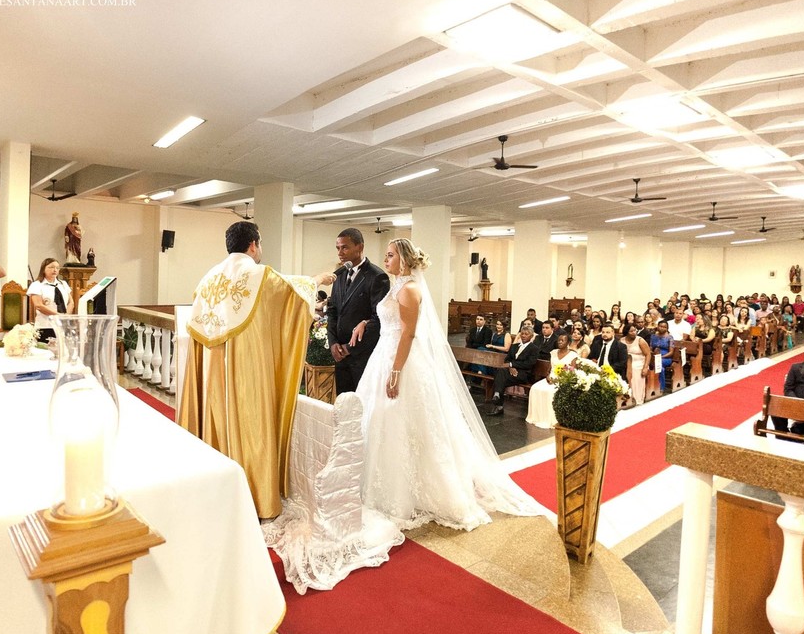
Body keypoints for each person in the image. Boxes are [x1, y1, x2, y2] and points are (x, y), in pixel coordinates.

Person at [354, 238, 539, 528]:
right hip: (383, 354)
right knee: (378, 417)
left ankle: (410, 489)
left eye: (390, 255)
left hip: (401, 360)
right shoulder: (396, 286)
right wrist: (367, 323)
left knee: (401, 418)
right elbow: (389, 321)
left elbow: (407, 333)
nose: (385, 259)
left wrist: (396, 372)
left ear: (404, 260)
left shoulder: (410, 290)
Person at [178, 221, 333, 518]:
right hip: (244, 366)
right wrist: (318, 279)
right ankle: (254, 494)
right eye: (259, 243)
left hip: (211, 367)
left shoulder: (209, 277)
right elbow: (291, 294)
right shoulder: (257, 274)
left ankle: (214, 484)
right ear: (253, 245)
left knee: (217, 419)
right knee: (249, 421)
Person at [325, 227, 390, 395]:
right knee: (344, 402)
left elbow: (378, 318)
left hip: (362, 356)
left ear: (360, 247)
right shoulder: (339, 274)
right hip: (340, 356)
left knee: (363, 403)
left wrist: (349, 348)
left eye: (345, 247)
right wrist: (333, 343)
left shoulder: (377, 276)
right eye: (338, 248)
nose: (340, 253)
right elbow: (332, 311)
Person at [526, 333, 579, 429]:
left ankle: (551, 419)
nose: (560, 342)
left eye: (562, 340)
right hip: (551, 377)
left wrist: (559, 379)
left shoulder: (573, 355)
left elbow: (572, 372)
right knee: (535, 388)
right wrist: (548, 377)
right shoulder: (553, 352)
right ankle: (538, 417)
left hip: (563, 379)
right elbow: (549, 369)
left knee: (551, 392)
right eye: (559, 340)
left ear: (568, 342)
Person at [488, 325, 542, 415]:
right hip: (510, 372)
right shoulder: (514, 346)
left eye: (526, 334)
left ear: (531, 336)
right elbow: (507, 360)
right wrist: (511, 367)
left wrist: (512, 364)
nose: (523, 336)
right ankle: (497, 399)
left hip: (524, 374)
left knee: (499, 376)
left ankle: (498, 403)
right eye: (522, 334)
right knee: (501, 376)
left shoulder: (534, 349)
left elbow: (529, 363)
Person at [27, 258, 75, 343]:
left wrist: (65, 316)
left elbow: (71, 302)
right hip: (46, 325)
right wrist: (58, 315)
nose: (55, 270)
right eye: (51, 267)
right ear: (43, 269)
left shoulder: (63, 284)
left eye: (57, 268)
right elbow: (39, 305)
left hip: (62, 324)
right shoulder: (37, 285)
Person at [622, 324, 651, 407]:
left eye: (635, 330)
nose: (634, 332)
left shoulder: (640, 341)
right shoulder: (622, 340)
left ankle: (637, 399)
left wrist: (645, 367)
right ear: (626, 332)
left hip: (639, 363)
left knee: (634, 370)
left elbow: (648, 354)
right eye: (631, 331)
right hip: (626, 362)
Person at [650, 320, 674, 392]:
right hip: (654, 355)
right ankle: (650, 384)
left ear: (667, 328)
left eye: (664, 327)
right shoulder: (653, 336)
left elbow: (671, 352)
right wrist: (652, 354)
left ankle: (661, 387)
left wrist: (661, 357)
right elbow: (650, 348)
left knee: (659, 366)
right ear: (657, 327)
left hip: (665, 357)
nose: (662, 328)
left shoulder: (670, 338)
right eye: (661, 326)